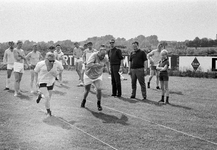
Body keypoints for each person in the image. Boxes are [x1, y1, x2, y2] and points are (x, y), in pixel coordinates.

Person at [80, 47, 109, 111]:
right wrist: (98, 65)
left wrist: (108, 69)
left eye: (104, 56)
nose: (102, 57)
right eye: (101, 55)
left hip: (98, 75)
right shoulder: (94, 55)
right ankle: (84, 100)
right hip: (89, 75)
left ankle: (99, 104)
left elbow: (107, 62)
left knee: (99, 89)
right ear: (99, 52)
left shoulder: (105, 58)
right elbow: (89, 64)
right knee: (87, 90)